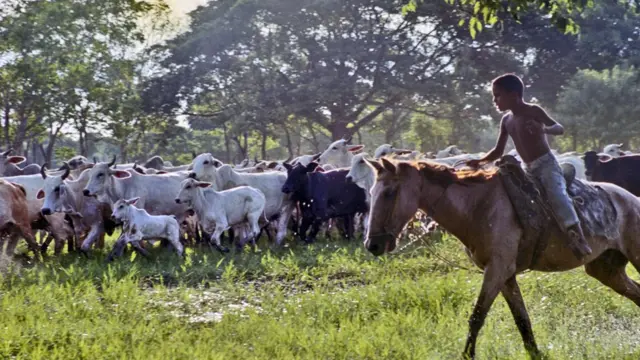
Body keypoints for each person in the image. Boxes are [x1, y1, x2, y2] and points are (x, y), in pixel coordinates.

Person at [466, 73, 592, 260]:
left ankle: (577, 236)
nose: (495, 100)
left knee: (557, 195)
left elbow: (559, 128)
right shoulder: (506, 121)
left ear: (514, 95)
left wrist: (544, 129)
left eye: (498, 95)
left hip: (546, 165)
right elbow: (498, 151)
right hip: (527, 168)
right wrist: (480, 161)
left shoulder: (533, 111)